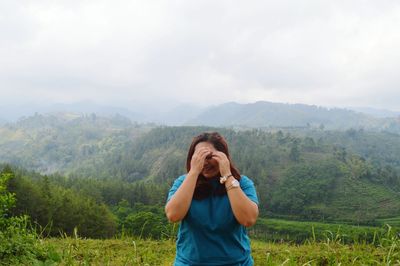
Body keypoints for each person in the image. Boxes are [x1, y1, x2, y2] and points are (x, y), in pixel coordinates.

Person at [165, 132, 259, 266]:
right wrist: (193, 173)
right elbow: (173, 215)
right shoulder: (183, 183)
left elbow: (248, 219)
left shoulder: (242, 184)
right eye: (198, 157)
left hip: (236, 263)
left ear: (224, 156)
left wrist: (227, 175)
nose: (204, 162)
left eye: (209, 156)